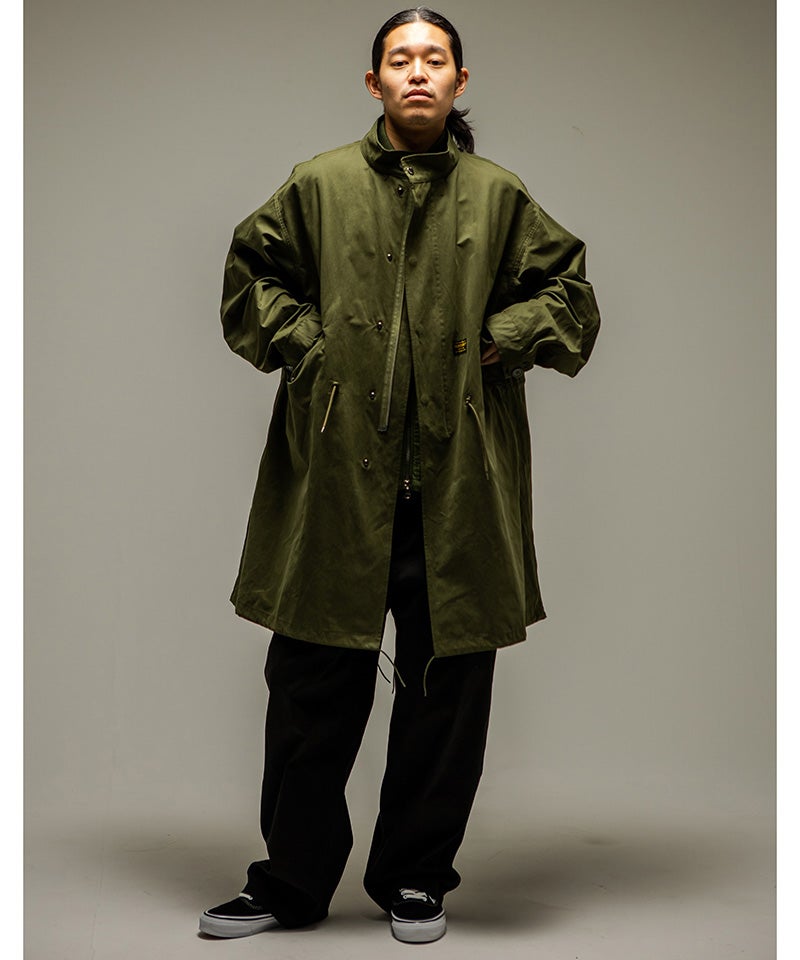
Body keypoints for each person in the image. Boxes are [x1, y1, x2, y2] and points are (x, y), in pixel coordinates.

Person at [200, 6, 600, 945]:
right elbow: (248, 280)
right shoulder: (320, 184)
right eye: (400, 58)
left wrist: (505, 336)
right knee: (309, 690)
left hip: (458, 491)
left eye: (435, 58)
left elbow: (571, 296)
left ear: (461, 81)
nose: (418, 72)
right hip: (336, 485)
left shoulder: (498, 195)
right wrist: (312, 346)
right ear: (373, 80)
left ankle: (415, 877)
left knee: (446, 695)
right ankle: (290, 883)